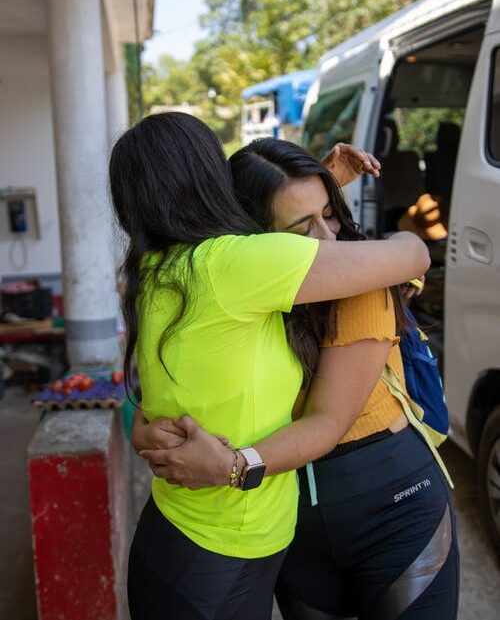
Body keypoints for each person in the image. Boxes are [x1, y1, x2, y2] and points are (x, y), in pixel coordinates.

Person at [109, 113, 429, 620]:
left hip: (178, 544)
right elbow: (412, 254)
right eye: (302, 226)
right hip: (222, 556)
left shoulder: (152, 271)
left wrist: (311, 195)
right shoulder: (236, 264)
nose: (324, 233)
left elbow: (162, 398)